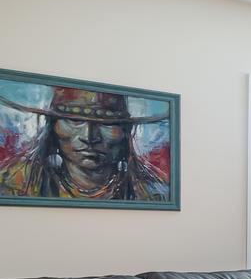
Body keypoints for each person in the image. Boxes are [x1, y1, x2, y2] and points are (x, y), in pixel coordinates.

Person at [0, 86, 171, 201]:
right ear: (53, 127)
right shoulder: (14, 185)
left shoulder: (153, 193)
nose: (89, 137)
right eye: (74, 121)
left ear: (125, 132)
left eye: (107, 123)